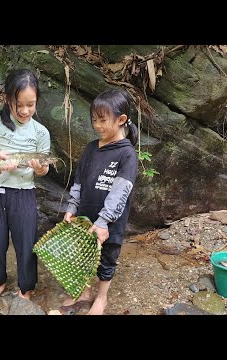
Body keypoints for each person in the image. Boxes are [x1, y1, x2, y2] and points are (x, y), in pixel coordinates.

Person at [0, 68, 51, 300]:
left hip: (24, 193)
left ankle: (26, 287)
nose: (25, 110)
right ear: (8, 99)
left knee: (26, 242)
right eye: (19, 104)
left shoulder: (41, 132)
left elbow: (43, 168)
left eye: (31, 104)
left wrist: (39, 168)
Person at [62, 88, 139, 315]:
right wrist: (72, 207)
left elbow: (120, 190)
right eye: (94, 120)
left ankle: (101, 298)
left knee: (107, 258)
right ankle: (84, 291)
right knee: (83, 254)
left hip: (110, 221)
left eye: (103, 120)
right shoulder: (90, 148)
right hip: (85, 216)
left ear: (121, 120)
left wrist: (104, 220)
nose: (97, 125)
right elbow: (79, 181)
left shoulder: (127, 154)